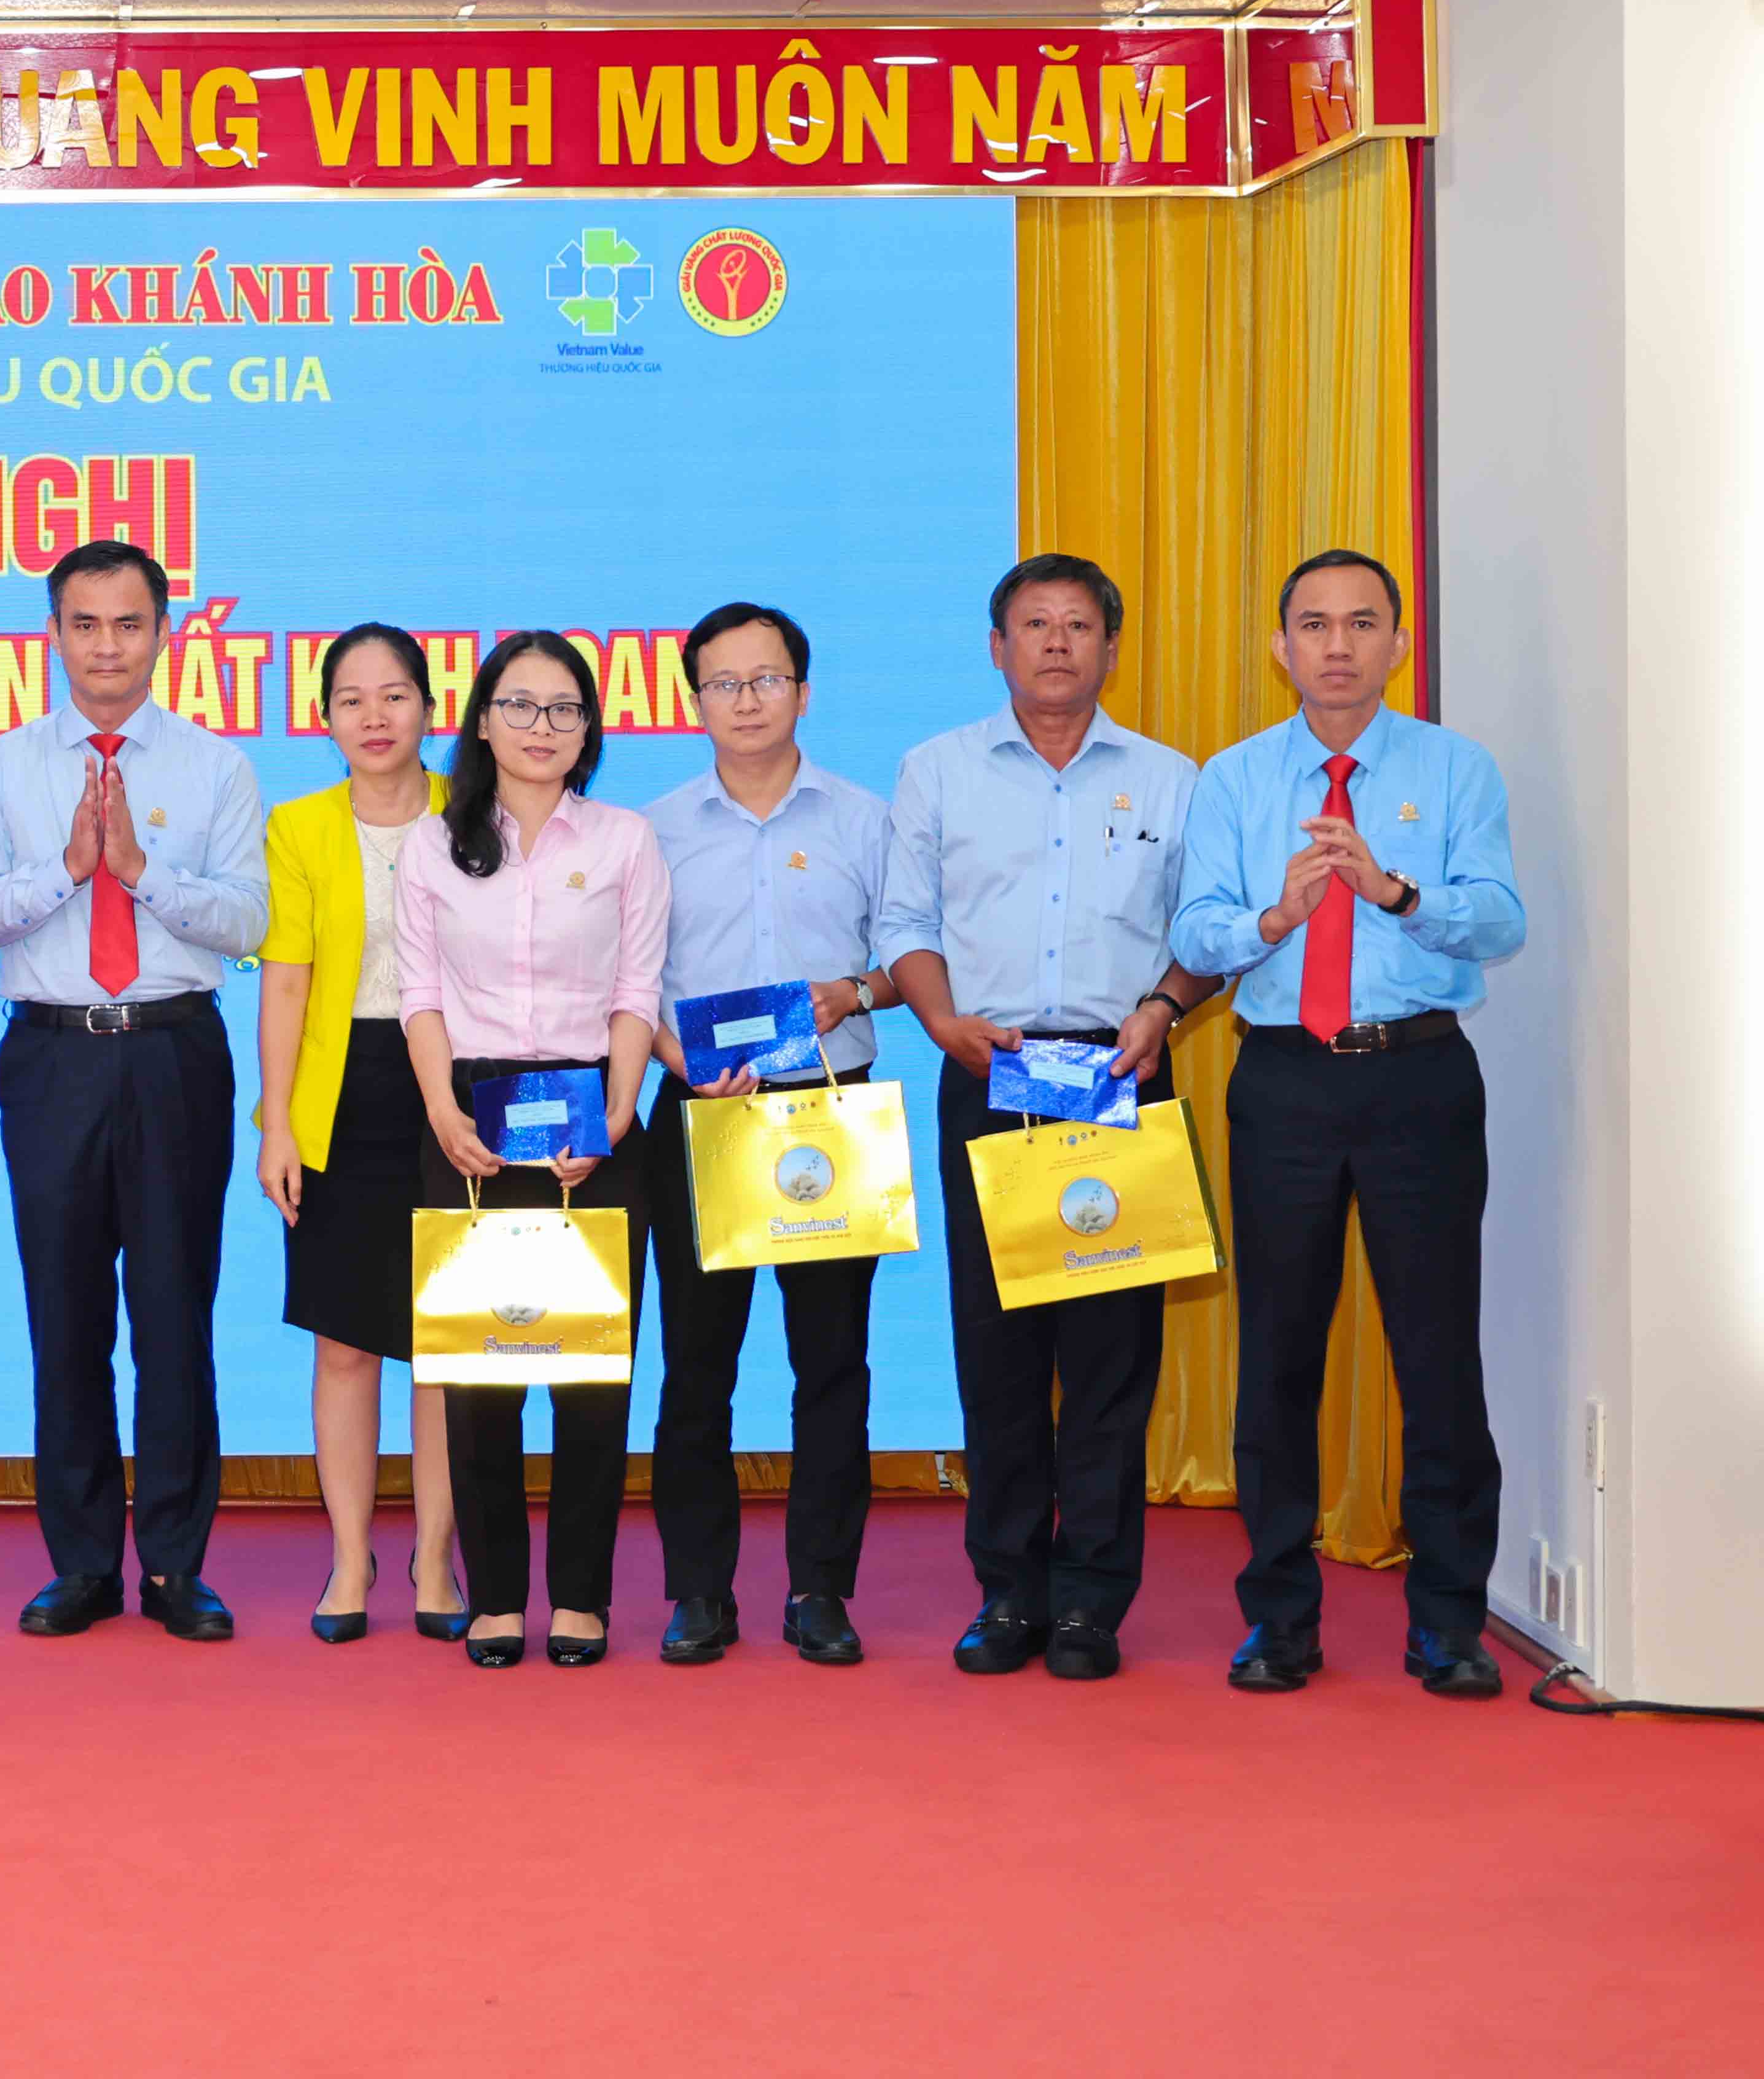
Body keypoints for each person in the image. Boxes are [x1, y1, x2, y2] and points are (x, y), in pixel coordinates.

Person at [1171, 548, 1526, 1700]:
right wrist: (1275, 917)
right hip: (1284, 1081)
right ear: (1280, 647)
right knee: (1279, 1350)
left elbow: (1502, 921)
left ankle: (1450, 1622)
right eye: (1315, 624)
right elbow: (1196, 930)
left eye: (1362, 623)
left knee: (1437, 1350)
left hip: (1419, 1079)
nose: (1338, 645)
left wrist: (1396, 894)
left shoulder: (1455, 769)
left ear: (1397, 645)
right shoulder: (1234, 779)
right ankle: (1279, 1619)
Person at [884, 552, 1216, 1683]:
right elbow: (905, 921)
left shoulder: (1172, 780)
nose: (1058, 643)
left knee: (1113, 1357)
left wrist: (1164, 1009)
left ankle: (1090, 1605)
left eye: (1080, 625)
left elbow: (1205, 931)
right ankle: (1009, 1594)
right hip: (992, 1069)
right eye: (1036, 624)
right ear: (998, 647)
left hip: (1120, 1072)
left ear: (1112, 648)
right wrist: (941, 1021)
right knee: (999, 1353)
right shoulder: (937, 771)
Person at [0, 540, 269, 1642]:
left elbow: (249, 922)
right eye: (84, 625)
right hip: (52, 1059)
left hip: (174, 1052)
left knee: (176, 1315)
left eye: (128, 624)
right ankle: (83, 1563)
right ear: (53, 634)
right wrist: (67, 871)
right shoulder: (3, 767)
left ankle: (177, 1566)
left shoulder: (215, 768)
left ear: (162, 634)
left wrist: (139, 872)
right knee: (66, 1314)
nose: (106, 647)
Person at [395, 629, 668, 1669]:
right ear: (482, 722)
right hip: (470, 1112)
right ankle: (499, 1597)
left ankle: (582, 1597)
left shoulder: (626, 840)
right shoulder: (435, 844)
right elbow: (419, 993)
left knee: (593, 1370)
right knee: (481, 1372)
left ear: (589, 728)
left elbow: (637, 989)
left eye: (564, 708)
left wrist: (617, 1114)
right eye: (519, 705)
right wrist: (441, 1112)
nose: (541, 727)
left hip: (595, 1105)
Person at [639, 603, 901, 1670]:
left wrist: (857, 991)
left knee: (832, 1363)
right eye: (723, 683)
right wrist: (676, 1059)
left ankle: (820, 1590)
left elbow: (913, 956)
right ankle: (699, 1591)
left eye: (766, 680)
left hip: (830, 1112)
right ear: (693, 700)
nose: (746, 701)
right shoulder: (652, 831)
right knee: (696, 1366)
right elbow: (630, 983)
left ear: (803, 690)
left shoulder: (865, 820)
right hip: (703, 1111)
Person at [256, 622, 467, 1646]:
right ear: (326, 719)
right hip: (341, 1098)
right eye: (351, 699)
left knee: (445, 1344)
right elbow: (286, 983)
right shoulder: (298, 827)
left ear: (430, 707)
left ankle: (435, 1554)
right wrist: (277, 1124)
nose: (374, 717)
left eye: (394, 696)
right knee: (344, 1344)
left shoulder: (476, 812)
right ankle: (350, 1556)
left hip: (458, 1095)